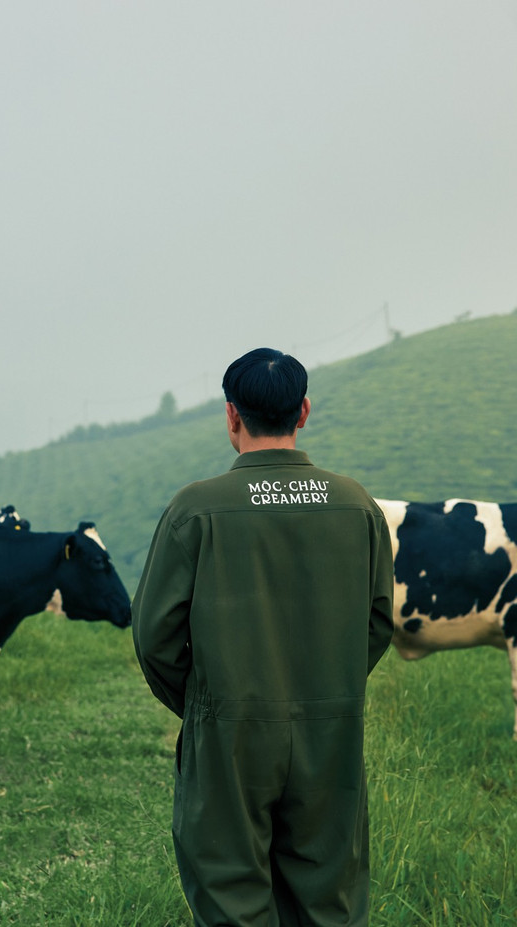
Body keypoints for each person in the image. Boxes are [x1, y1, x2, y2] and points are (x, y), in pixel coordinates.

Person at [132, 347, 395, 927]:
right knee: (330, 895)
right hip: (332, 729)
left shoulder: (195, 510)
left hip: (229, 731)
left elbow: (154, 637)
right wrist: (330, 686)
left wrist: (204, 705)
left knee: (231, 892)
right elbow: (379, 620)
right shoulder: (356, 505)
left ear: (231, 416)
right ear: (303, 412)